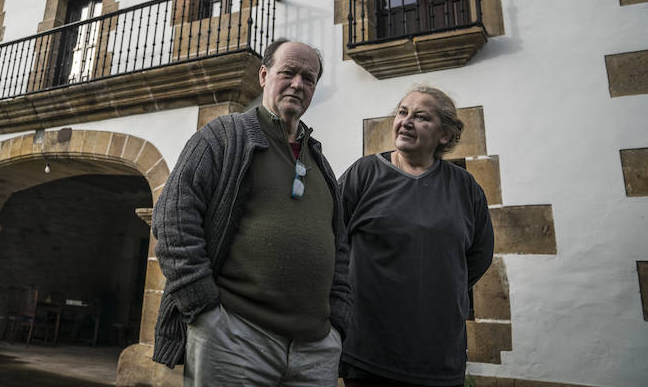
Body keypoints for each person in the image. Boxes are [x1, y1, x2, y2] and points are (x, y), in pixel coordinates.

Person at [151, 39, 350, 387]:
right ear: (263, 75)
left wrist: (337, 324)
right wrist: (204, 309)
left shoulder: (319, 161)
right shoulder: (224, 136)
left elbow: (341, 250)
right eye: (288, 72)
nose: (298, 84)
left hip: (315, 350)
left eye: (309, 78)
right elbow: (173, 219)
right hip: (234, 338)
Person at [338, 86, 495, 387]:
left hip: (438, 353)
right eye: (402, 112)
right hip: (369, 350)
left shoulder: (464, 186)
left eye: (421, 117)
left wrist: (439, 290)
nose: (406, 121)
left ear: (445, 134)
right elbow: (331, 240)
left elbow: (479, 254)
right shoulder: (364, 174)